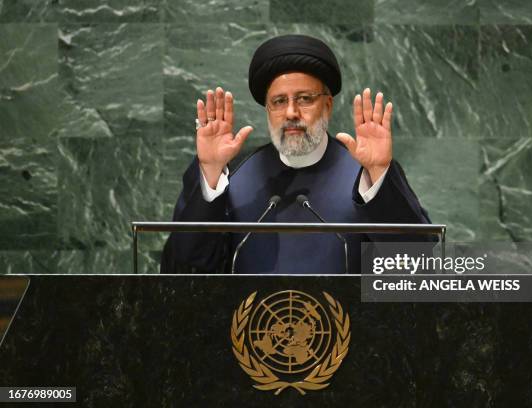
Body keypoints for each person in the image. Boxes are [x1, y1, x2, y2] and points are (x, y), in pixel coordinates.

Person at [161, 34, 431, 274]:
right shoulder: (235, 179)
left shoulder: (366, 174)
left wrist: (380, 174)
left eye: (304, 99)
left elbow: (419, 265)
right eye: (279, 102)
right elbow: (185, 270)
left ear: (327, 106)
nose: (291, 113)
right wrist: (208, 171)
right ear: (268, 110)